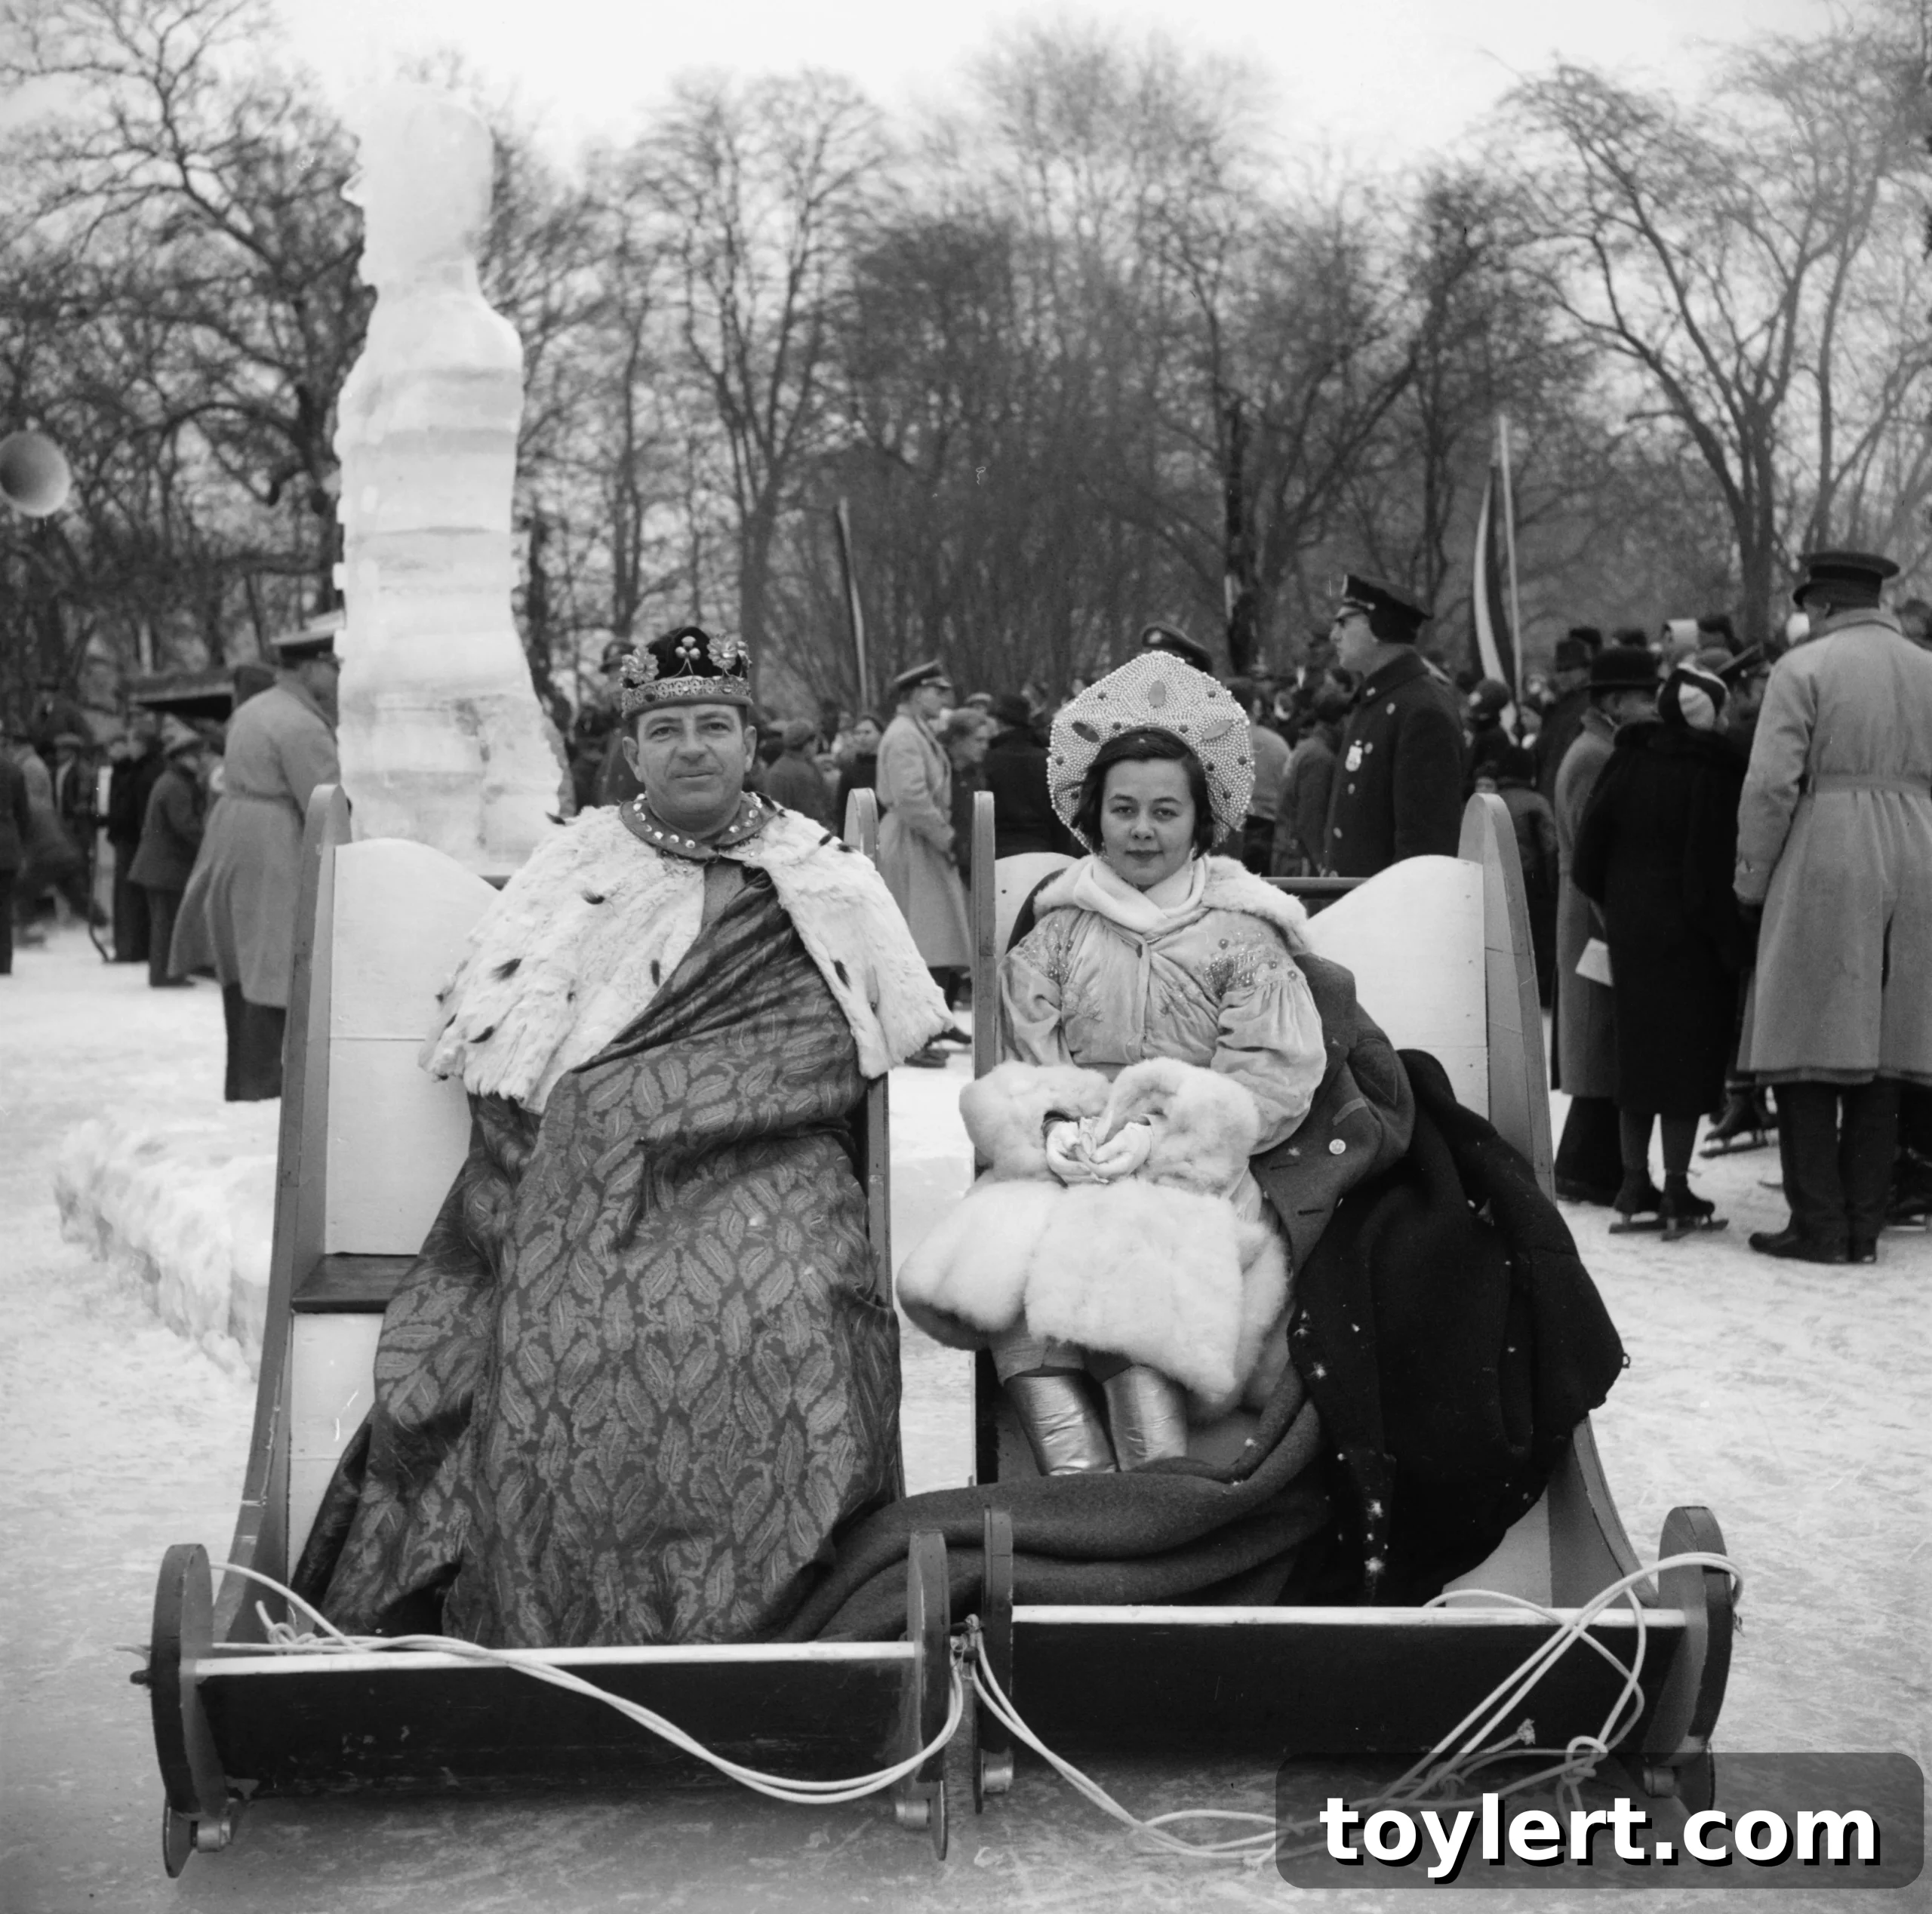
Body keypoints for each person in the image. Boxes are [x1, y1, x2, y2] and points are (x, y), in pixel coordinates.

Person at [298, 624, 949, 1645]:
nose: (694, 747)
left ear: (748, 741)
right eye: (669, 728)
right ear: (635, 751)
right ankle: (574, 1620)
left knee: (793, 1312)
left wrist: (684, 1096)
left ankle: (787, 1621)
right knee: (574, 1324)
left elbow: (837, 1052)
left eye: (716, 727)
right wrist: (609, 1119)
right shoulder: (577, 866)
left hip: (766, 1160)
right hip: (588, 1172)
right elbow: (506, 1061)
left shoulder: (822, 872)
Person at [998, 651, 1411, 1473]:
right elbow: (1028, 1057)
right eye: (1123, 810)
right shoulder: (1054, 935)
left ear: (1199, 822)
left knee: (1134, 1263)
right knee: (1013, 1262)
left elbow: (1270, 1077)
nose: (1142, 830)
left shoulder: (1240, 935)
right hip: (1074, 1165)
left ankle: (1156, 1498)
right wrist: (1056, 1132)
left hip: (1203, 1172)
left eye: (1163, 811)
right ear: (1094, 816)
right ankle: (1073, 1494)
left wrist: (1154, 1140)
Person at [1735, 550, 1932, 1263]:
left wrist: (1752, 879)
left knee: (1803, 1043)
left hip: (1829, 847)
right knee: (1886, 1050)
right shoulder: (1926, 667)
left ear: (1818, 606)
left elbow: (1770, 786)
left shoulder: (1804, 669)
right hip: (1920, 851)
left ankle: (1818, 1224)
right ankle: (1864, 1227)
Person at [1571, 666, 1748, 1237]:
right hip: (1690, 939)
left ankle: (1630, 1183)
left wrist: (1616, 909)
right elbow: (1707, 869)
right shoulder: (1712, 769)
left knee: (1638, 1058)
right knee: (1685, 1064)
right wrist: (1730, 943)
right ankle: (1674, 1185)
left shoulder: (1627, 758)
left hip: (1631, 932)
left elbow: (1588, 857)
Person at [172, 625, 341, 1100]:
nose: (336, 674)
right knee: (273, 959)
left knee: (246, 960)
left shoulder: (255, 708)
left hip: (237, 834)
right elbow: (325, 801)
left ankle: (249, 1080)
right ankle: (264, 1085)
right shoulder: (300, 724)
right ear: (309, 668)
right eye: (331, 665)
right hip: (273, 843)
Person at [1552, 644, 1660, 1204]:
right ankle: (1591, 1168)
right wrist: (1620, 925)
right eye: (1646, 696)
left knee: (1600, 1037)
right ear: (1617, 700)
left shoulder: (1597, 746)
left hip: (1587, 908)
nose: (1656, 706)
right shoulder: (1596, 754)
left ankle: (1587, 1163)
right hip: (1594, 913)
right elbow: (1599, 852)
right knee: (1600, 1036)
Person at [1321, 574, 1465, 876]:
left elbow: (1424, 848)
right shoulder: (1379, 700)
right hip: (1358, 905)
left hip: (1388, 912)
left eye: (1344, 623)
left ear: (1377, 626)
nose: (1334, 635)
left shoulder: (1422, 711)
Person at [875, 661, 971, 1041]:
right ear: (916, 694)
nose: (943, 699)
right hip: (912, 839)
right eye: (937, 690)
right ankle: (918, 1031)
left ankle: (936, 1020)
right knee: (920, 938)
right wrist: (946, 837)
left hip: (922, 838)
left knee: (935, 936)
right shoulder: (903, 736)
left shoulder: (916, 732)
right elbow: (910, 797)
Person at [126, 719, 208, 988]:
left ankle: (165, 973)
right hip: (165, 867)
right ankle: (165, 975)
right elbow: (186, 825)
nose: (199, 761)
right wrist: (209, 843)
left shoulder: (172, 780)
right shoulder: (175, 785)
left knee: (165, 922)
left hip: (160, 866)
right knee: (166, 924)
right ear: (182, 758)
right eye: (195, 757)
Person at [1477, 744, 1558, 1008]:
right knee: (1538, 938)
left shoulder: (1492, 800)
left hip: (1496, 880)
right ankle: (1541, 994)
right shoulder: (1536, 802)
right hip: (1532, 880)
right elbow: (1550, 846)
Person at [980, 693, 1079, 859]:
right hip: (1043, 851)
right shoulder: (1049, 761)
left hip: (994, 853)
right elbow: (1061, 818)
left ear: (998, 721)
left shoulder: (985, 761)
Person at [104, 710, 165, 962]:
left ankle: (132, 948)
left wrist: (113, 822)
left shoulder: (143, 772)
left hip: (133, 840)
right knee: (129, 898)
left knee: (131, 898)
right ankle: (130, 946)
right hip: (130, 838)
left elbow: (133, 808)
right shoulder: (134, 770)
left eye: (129, 743)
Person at [1272, 682, 1349, 877]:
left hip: (1290, 852)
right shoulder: (1320, 759)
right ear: (1340, 721)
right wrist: (1323, 864)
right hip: (1301, 860)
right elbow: (1311, 818)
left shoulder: (1309, 747)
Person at [1226, 676, 1291, 874]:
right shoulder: (1277, 745)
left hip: (1223, 830)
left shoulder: (1211, 744)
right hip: (1267, 834)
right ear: (1256, 705)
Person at [1534, 630, 1598, 804]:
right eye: (1559, 670)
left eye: (1569, 669)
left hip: (1573, 798)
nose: (1563, 676)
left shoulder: (1592, 706)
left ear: (1586, 669)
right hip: (1550, 798)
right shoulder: (1556, 708)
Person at [937, 706, 992, 881]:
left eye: (986, 741)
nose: (985, 747)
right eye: (978, 740)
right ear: (957, 739)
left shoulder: (977, 775)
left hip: (972, 864)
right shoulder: (938, 774)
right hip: (942, 861)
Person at [760, 716, 835, 827]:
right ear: (807, 745)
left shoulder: (777, 768)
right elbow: (815, 814)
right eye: (815, 741)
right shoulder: (803, 772)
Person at [0, 729, 31, 975]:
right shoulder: (14, 770)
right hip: (7, 846)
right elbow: (24, 815)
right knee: (4, 908)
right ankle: (4, 961)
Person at [834, 712, 881, 826]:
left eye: (867, 732)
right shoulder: (850, 771)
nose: (862, 737)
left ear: (881, 734)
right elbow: (842, 812)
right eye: (858, 733)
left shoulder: (889, 766)